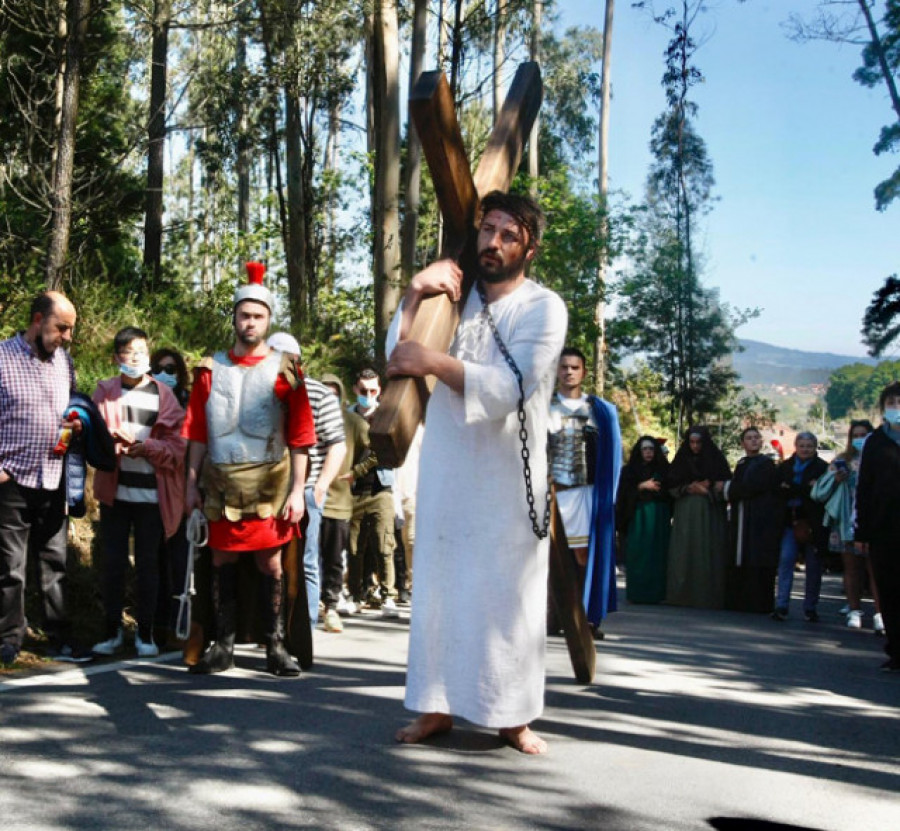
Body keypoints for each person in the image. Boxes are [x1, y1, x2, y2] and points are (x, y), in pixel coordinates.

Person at [387, 191, 567, 754]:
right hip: (447, 469)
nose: (492, 242)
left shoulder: (544, 307)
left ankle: (511, 716)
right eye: (487, 229)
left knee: (505, 600)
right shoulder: (451, 300)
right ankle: (436, 708)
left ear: (529, 247)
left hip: (508, 483)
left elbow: (510, 387)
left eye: (508, 234)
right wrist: (416, 292)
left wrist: (434, 363)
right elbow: (397, 356)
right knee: (440, 592)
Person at [182, 262, 316, 676]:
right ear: (235, 318)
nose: (251, 322)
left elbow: (300, 437)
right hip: (220, 481)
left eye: (258, 316)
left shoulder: (286, 372)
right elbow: (198, 434)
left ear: (268, 320)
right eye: (245, 314)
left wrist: (297, 491)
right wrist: (190, 485)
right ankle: (222, 645)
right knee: (221, 561)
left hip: (270, 484)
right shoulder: (209, 371)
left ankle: (275, 646)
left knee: (270, 564)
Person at [0, 291, 91, 665]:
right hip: (12, 481)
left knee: (55, 564)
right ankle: (9, 640)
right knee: (10, 568)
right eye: (61, 328)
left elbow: (69, 407)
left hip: (54, 479)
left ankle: (59, 638)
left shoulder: (63, 363)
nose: (67, 337)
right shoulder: (2, 358)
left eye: (70, 330)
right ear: (37, 320)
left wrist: (75, 424)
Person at [91, 327, 186, 657]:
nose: (137, 358)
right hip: (114, 495)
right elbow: (91, 434)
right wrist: (109, 441)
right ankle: (112, 631)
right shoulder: (104, 391)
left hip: (151, 497)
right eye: (130, 353)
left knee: (148, 566)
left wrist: (147, 447)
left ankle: (145, 634)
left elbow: (178, 447)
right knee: (113, 565)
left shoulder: (164, 395)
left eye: (142, 352)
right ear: (117, 357)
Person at [266, 332, 347, 632]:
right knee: (268, 560)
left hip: (308, 487)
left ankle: (306, 626)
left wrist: (321, 486)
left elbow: (337, 444)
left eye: (287, 359)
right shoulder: (259, 391)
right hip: (266, 488)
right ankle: (271, 624)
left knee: (306, 560)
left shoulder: (318, 393)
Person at [547, 346, 622, 630]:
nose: (568, 372)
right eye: (564, 366)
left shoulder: (601, 411)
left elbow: (613, 458)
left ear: (584, 372)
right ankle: (552, 616)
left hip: (585, 493)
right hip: (550, 493)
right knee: (548, 557)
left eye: (574, 367)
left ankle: (584, 617)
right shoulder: (543, 408)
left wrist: (607, 500)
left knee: (582, 556)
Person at [319, 374, 377, 632]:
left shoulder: (352, 422)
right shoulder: (307, 418)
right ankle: (306, 608)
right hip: (310, 498)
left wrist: (357, 471)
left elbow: (377, 448)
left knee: (333, 559)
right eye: (324, 394)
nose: (328, 399)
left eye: (333, 395)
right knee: (306, 560)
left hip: (338, 502)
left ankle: (331, 606)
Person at [813, 420, 883, 632]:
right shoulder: (842, 460)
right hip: (846, 521)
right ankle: (854, 610)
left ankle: (880, 614)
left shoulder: (880, 459)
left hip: (873, 521)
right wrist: (836, 479)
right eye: (856, 435)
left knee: (876, 570)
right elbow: (818, 492)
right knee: (852, 568)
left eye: (864, 435)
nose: (860, 439)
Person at [346, 368, 399, 618]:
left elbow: (387, 453)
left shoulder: (386, 416)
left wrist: (356, 470)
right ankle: (355, 595)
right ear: (355, 389)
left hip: (381, 488)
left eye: (373, 391)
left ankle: (389, 595)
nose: (368, 395)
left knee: (384, 543)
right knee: (354, 547)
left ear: (380, 390)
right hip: (352, 492)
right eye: (364, 391)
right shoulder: (344, 416)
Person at [854, 383, 900, 671]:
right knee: (890, 589)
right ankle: (896, 650)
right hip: (884, 527)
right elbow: (864, 488)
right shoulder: (875, 442)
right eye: (893, 402)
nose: (897, 407)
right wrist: (862, 532)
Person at [149, 347, 192, 644]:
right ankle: (157, 626)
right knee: (155, 563)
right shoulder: (146, 400)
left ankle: (181, 626)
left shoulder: (191, 404)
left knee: (182, 564)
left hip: (185, 492)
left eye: (172, 369)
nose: (166, 374)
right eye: (160, 368)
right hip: (153, 492)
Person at [666, 426, 732, 609]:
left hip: (709, 514)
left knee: (707, 551)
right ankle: (681, 595)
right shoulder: (681, 461)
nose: (695, 446)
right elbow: (671, 484)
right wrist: (688, 488)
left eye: (699, 442)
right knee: (685, 551)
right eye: (692, 442)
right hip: (686, 513)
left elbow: (725, 485)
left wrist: (708, 488)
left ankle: (707, 596)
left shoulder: (716, 460)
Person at [772, 432, 828, 622]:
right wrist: (805, 488)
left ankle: (810, 607)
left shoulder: (822, 468)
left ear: (815, 447)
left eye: (809, 446)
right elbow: (779, 490)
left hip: (813, 522)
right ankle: (781, 605)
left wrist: (793, 488)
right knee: (786, 560)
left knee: (813, 566)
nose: (805, 449)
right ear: (796, 446)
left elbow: (819, 494)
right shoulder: (785, 467)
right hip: (789, 520)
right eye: (802, 445)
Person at [724, 427, 781, 613]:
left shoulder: (766, 464)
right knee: (741, 557)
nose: (754, 441)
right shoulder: (742, 463)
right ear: (743, 443)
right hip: (742, 517)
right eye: (749, 438)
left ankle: (760, 603)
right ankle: (740, 601)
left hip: (761, 519)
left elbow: (751, 487)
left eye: (757, 437)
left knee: (759, 557)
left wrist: (726, 488)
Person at [616, 436, 671, 604]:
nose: (648, 452)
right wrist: (641, 486)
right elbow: (623, 494)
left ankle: (657, 594)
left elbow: (670, 492)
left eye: (651, 449)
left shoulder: (664, 469)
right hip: (638, 515)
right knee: (638, 553)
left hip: (658, 515)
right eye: (645, 449)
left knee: (657, 554)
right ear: (639, 452)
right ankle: (637, 593)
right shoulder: (629, 471)